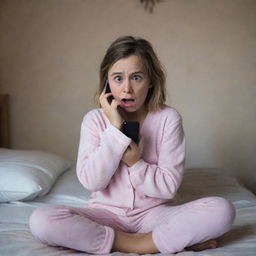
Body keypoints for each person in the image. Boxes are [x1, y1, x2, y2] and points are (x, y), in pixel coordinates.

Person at [29, 36, 235, 254]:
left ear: (151, 80)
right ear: (106, 81)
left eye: (136, 78)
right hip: (105, 216)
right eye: (118, 78)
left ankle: (133, 240)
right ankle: (148, 243)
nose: (127, 88)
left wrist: (136, 163)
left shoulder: (168, 118)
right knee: (41, 221)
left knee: (222, 211)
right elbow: (92, 182)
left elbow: (167, 188)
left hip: (155, 214)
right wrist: (115, 130)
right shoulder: (94, 120)